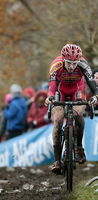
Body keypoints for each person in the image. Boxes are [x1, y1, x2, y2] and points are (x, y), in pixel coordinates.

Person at [44, 44, 98, 174]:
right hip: (59, 89)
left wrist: (95, 96)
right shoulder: (56, 65)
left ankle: (79, 147)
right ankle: (57, 160)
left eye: (75, 63)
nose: (72, 66)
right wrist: (50, 97)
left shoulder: (84, 64)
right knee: (57, 120)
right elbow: (51, 87)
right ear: (63, 60)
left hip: (77, 89)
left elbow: (91, 84)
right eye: (69, 63)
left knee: (78, 114)